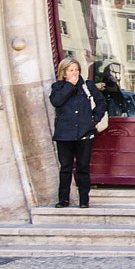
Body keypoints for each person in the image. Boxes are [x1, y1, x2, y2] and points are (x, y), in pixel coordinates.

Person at [50, 57, 108, 208]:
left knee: (83, 167)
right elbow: (56, 102)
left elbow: (101, 102)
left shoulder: (88, 86)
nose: (74, 73)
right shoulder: (58, 87)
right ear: (64, 74)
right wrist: (70, 86)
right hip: (64, 134)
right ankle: (63, 199)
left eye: (76, 69)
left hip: (85, 133)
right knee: (65, 168)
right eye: (71, 70)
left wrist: (94, 119)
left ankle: (84, 200)